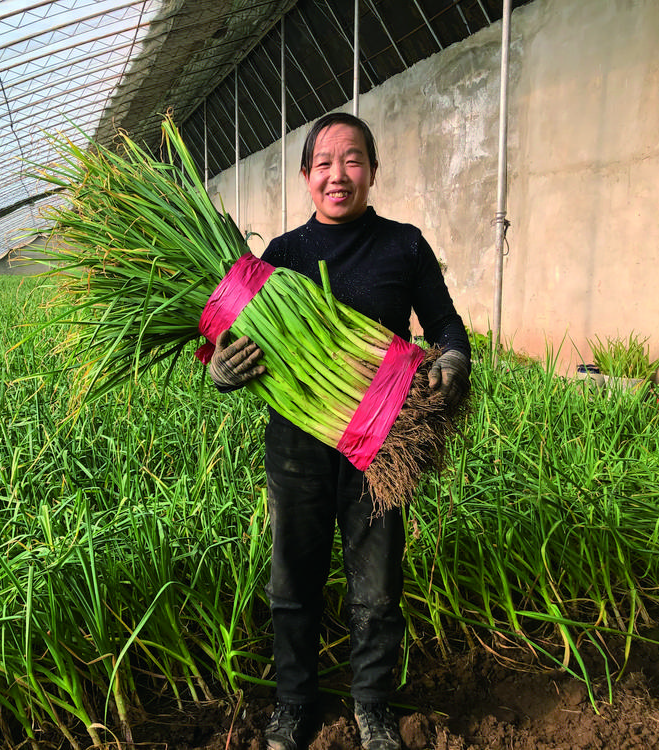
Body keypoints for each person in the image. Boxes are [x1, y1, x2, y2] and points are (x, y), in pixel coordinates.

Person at [207, 112, 471, 750]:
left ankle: (373, 704)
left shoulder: (404, 245)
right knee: (291, 583)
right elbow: (237, 341)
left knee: (378, 587)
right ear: (305, 176)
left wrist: (455, 359)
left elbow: (445, 324)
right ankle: (295, 704)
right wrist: (221, 368)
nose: (338, 174)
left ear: (373, 170)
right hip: (297, 448)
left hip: (381, 446)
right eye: (324, 163)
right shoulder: (282, 257)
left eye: (352, 160)